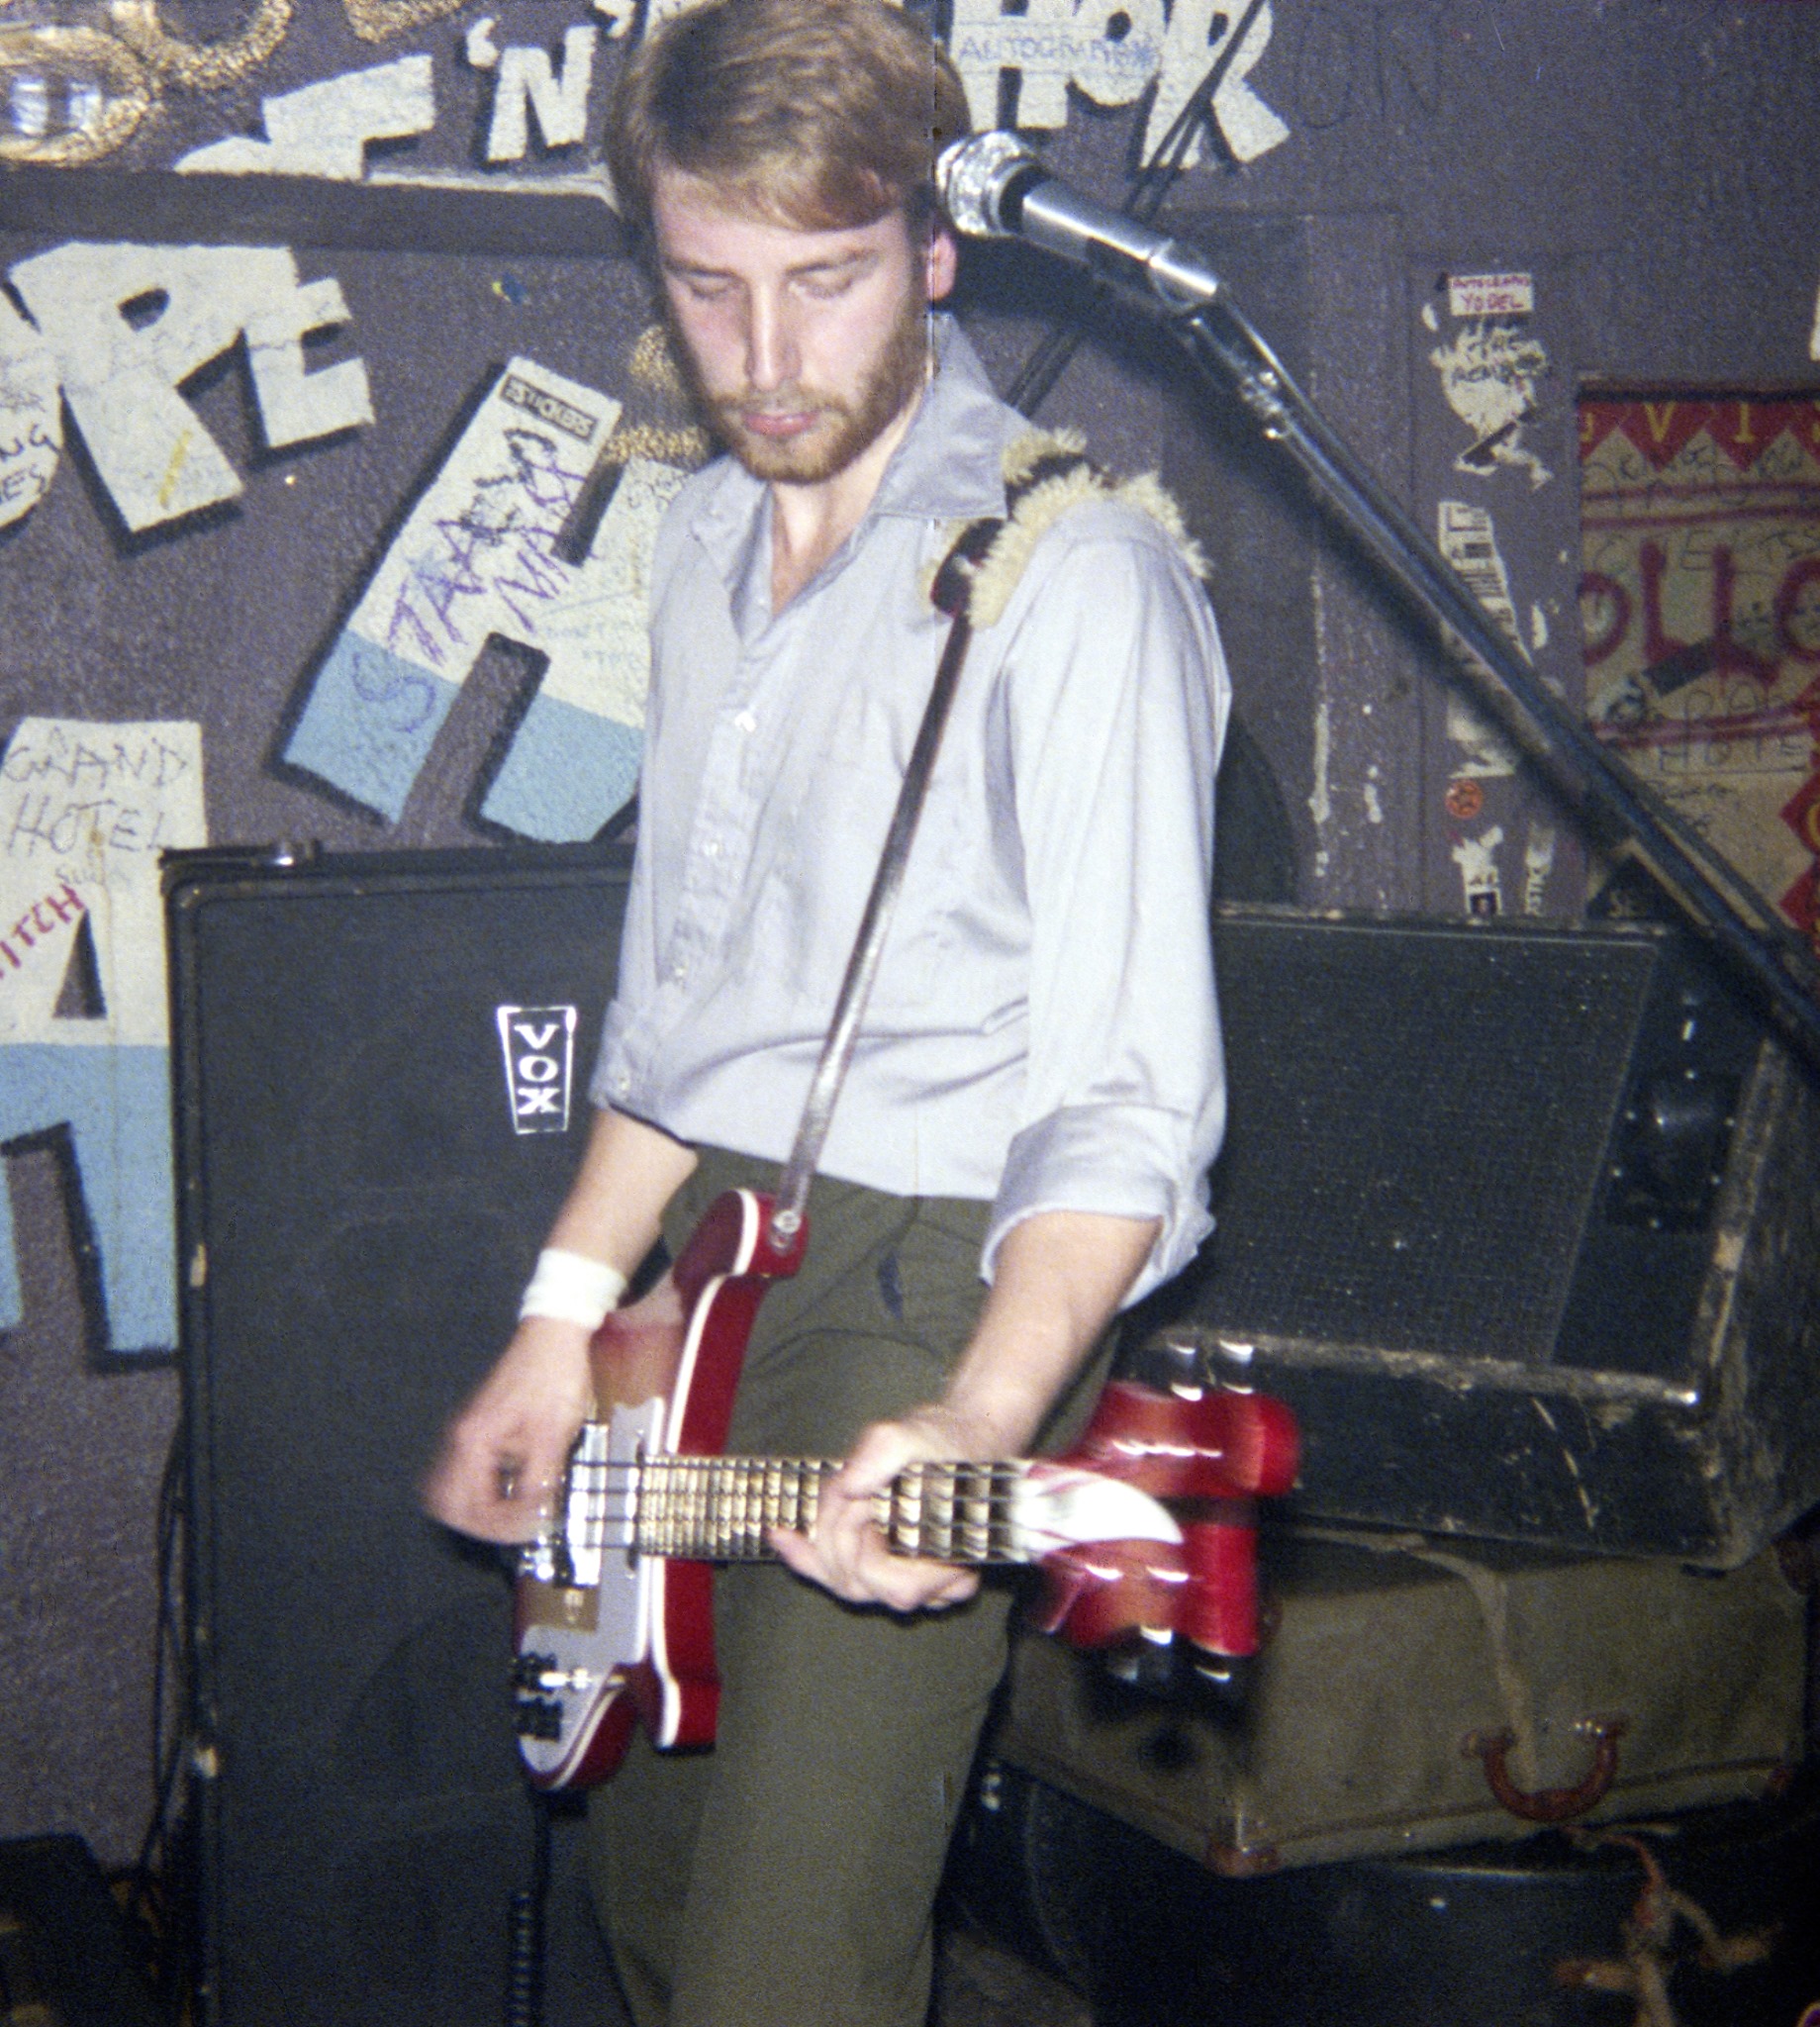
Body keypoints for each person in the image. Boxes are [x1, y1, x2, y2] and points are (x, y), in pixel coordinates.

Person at [425, 1, 1228, 2020]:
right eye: (710, 287)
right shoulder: (702, 538)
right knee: (656, 1918)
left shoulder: (1076, 578)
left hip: (940, 1277)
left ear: (934, 254)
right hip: (708, 1282)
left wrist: (979, 1412)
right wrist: (557, 1321)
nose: (766, 356)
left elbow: (1124, 1102)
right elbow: (680, 1014)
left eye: (827, 279)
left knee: (782, 1980)